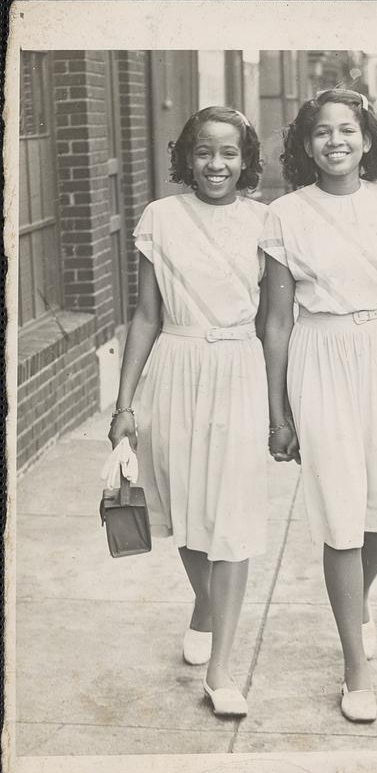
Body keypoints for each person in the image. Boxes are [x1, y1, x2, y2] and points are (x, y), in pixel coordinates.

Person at [260, 89, 377, 723]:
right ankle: (355, 666)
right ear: (306, 147)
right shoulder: (284, 214)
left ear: (366, 140)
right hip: (320, 354)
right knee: (340, 514)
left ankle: (358, 602)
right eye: (322, 133)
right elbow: (276, 322)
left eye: (347, 130)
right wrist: (278, 413)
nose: (336, 141)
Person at [108, 106, 269, 718]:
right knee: (182, 507)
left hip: (237, 370)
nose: (216, 164)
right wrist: (124, 403)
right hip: (174, 369)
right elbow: (146, 315)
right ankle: (205, 604)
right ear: (187, 157)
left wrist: (280, 408)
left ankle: (223, 670)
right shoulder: (160, 217)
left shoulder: (264, 222)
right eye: (204, 151)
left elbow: (273, 321)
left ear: (246, 159)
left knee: (231, 515)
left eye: (229, 153)